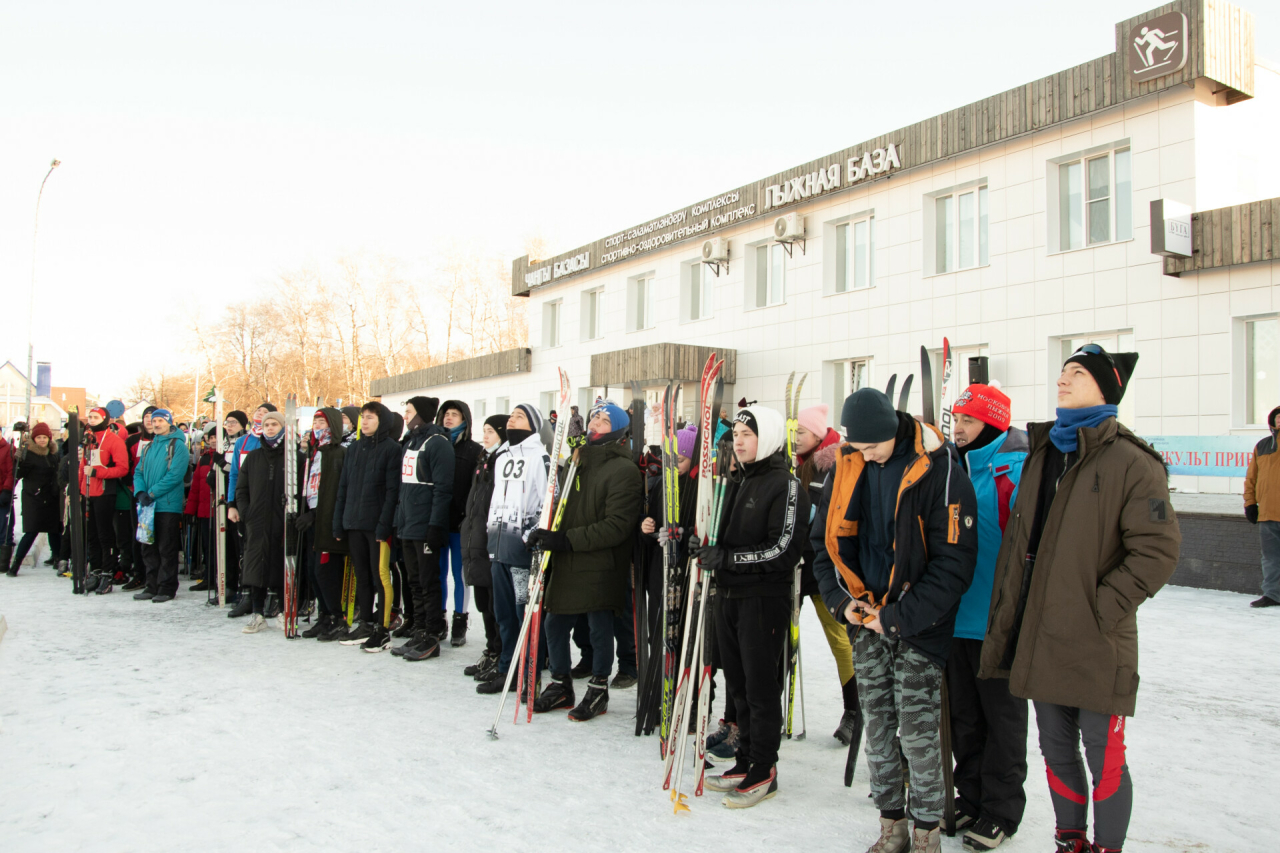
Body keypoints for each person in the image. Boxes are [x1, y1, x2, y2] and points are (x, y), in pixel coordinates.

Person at [980, 345, 1180, 853]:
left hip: (1097, 641)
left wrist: (1099, 608)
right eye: (1062, 371)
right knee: (1055, 748)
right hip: (1041, 633)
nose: (1062, 380)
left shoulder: (1134, 462)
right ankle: (1069, 840)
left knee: (1104, 754)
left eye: (1076, 373)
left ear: (1106, 387)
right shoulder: (1043, 452)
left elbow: (1156, 553)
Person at [811, 387, 978, 851]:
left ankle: (927, 831)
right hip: (865, 618)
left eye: (872, 447)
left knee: (919, 733)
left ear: (892, 431)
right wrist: (843, 604)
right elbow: (823, 546)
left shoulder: (938, 468)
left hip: (920, 625)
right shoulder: (849, 465)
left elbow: (955, 564)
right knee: (878, 727)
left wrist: (900, 617)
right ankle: (891, 825)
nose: (864, 455)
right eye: (857, 446)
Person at [695, 405, 811, 809]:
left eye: (748, 434)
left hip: (763, 601)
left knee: (761, 690)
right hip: (728, 598)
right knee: (739, 687)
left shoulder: (787, 485)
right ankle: (744, 758)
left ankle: (764, 766)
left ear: (772, 437)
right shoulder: (738, 481)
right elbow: (725, 539)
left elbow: (783, 549)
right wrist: (708, 549)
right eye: (737, 435)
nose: (739, 441)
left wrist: (727, 560)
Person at [946, 383, 1029, 850]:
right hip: (956, 617)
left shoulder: (1014, 471)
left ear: (994, 421)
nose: (958, 429)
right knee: (965, 719)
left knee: (1004, 721)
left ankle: (1001, 809)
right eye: (956, 420)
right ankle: (971, 796)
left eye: (969, 421)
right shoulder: (952, 468)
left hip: (999, 622)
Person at [528, 402, 644, 721]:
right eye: (595, 417)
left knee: (598, 627)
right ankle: (561, 684)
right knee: (556, 623)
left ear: (619, 431)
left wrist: (566, 540)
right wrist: (546, 532)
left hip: (600, 561)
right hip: (567, 559)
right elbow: (563, 505)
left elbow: (617, 526)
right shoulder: (576, 463)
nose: (596, 422)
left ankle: (598, 688)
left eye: (605, 420)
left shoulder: (624, 470)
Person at [792, 404, 859, 745]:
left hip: (823, 568)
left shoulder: (835, 464)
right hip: (793, 566)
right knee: (782, 638)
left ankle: (854, 708)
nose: (795, 439)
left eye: (800, 433)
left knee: (839, 639)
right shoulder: (795, 465)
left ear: (818, 435)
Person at [477, 403, 549, 696]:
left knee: (524, 614)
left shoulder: (539, 456)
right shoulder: (502, 456)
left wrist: (531, 536)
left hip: (522, 551)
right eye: (511, 415)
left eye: (519, 416)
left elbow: (545, 502)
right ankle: (507, 666)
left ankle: (529, 668)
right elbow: (496, 497)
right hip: (498, 546)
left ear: (532, 424)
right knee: (502, 613)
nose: (511, 419)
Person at [332, 402, 403, 651]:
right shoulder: (354, 449)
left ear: (381, 421)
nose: (365, 422)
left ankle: (382, 630)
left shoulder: (392, 450)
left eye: (370, 418)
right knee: (361, 576)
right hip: (354, 522)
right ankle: (364, 623)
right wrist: (339, 522)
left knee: (381, 576)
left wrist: (384, 526)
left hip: (377, 527)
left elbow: (393, 492)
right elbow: (344, 487)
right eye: (363, 418)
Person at [389, 396, 454, 661]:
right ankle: (419, 629)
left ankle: (432, 633)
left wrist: (435, 525)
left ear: (422, 415)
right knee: (413, 581)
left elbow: (443, 489)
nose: (405, 416)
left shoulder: (437, 443)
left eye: (409, 412)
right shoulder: (411, 441)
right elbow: (403, 488)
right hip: (408, 523)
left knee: (428, 581)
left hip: (425, 524)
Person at [296, 408, 351, 641]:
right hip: (312, 522)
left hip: (327, 523)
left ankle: (338, 618)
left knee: (325, 571)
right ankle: (324, 616)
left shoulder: (338, 453)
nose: (317, 426)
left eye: (322, 422)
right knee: (311, 571)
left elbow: (335, 491)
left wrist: (317, 514)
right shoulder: (315, 452)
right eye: (315, 421)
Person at [461, 414, 508, 681]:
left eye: (490, 431)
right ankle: (491, 649)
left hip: (491, 540)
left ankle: (501, 652)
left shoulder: (503, 461)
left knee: (495, 603)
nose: (486, 436)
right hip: (475, 538)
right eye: (484, 431)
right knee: (483, 602)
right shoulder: (484, 461)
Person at [236, 411, 292, 633]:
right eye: (266, 424)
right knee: (255, 566)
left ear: (283, 427)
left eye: (274, 424)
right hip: (256, 521)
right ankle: (257, 613)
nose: (269, 428)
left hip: (281, 520)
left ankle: (282, 612)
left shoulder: (292, 457)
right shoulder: (254, 457)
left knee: (279, 565)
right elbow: (241, 488)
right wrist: (246, 512)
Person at [131, 409, 191, 603]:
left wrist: (152, 493)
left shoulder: (178, 446)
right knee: (148, 546)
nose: (156, 424)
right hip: (148, 506)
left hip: (167, 505)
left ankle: (166, 587)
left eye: (160, 421)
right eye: (153, 420)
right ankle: (152, 585)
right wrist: (140, 493)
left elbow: (175, 475)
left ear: (169, 423)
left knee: (167, 548)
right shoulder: (148, 447)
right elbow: (138, 472)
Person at [436, 400, 481, 646]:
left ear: (465, 419)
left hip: (461, 524)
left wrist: (468, 516)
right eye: (446, 414)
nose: (449, 418)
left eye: (455, 414)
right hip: (437, 522)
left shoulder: (473, 450)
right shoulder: (434, 445)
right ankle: (440, 618)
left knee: (460, 574)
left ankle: (460, 620)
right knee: (438, 573)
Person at [226, 403, 276, 616]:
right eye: (258, 412)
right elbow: (236, 475)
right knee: (247, 552)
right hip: (248, 505)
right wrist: (232, 504)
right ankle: (247, 594)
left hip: (271, 506)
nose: (260, 415)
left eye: (266, 413)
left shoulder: (276, 442)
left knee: (269, 551)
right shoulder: (243, 441)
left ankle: (271, 596)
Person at [79, 406, 132, 594]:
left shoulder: (113, 440)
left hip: (104, 492)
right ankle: (95, 570)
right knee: (91, 534)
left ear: (104, 419)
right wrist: (78, 489)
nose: (92, 420)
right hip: (88, 492)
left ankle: (107, 573)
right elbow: (82, 467)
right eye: (90, 417)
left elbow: (123, 468)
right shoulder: (89, 439)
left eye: (95, 417)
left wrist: (98, 472)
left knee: (104, 535)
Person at [6, 423, 62, 576]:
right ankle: (16, 563)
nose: (42, 440)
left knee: (54, 530)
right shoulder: (28, 454)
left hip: (51, 497)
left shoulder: (53, 454)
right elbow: (18, 474)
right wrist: (18, 461)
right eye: (39, 437)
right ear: (33, 438)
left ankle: (57, 558)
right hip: (34, 498)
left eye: (45, 437)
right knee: (31, 531)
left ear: (49, 438)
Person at [1243, 405, 1280, 608]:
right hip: (1267, 513)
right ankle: (1272, 594)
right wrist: (1250, 504)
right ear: (1271, 422)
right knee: (1271, 559)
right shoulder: (1262, 446)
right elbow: (1252, 478)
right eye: (1277, 417)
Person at [121, 406, 157, 591]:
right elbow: (125, 467)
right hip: (137, 495)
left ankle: (156, 576)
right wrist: (134, 488)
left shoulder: (163, 441)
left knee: (156, 538)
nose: (150, 421)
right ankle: (139, 575)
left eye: (154, 417)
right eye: (147, 417)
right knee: (138, 535)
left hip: (158, 495)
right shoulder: (133, 440)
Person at [184, 427, 216, 591]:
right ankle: (208, 576)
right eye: (211, 437)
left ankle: (221, 578)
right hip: (204, 510)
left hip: (218, 510)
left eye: (216, 437)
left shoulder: (224, 457)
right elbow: (195, 486)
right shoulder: (203, 459)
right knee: (207, 546)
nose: (213, 440)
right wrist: (191, 510)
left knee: (219, 547)